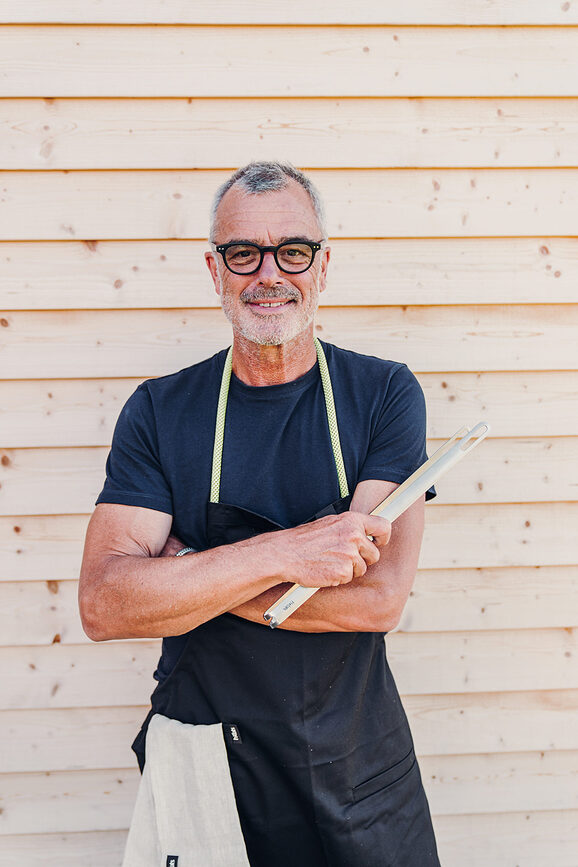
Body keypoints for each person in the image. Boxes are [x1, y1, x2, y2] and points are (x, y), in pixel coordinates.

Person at [79, 161, 440, 866]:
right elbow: (104, 602)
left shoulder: (384, 396)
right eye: (243, 253)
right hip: (209, 765)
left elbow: (377, 597)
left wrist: (189, 575)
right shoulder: (159, 412)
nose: (268, 273)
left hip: (357, 771)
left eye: (292, 251)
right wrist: (284, 554)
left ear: (323, 265)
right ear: (216, 270)